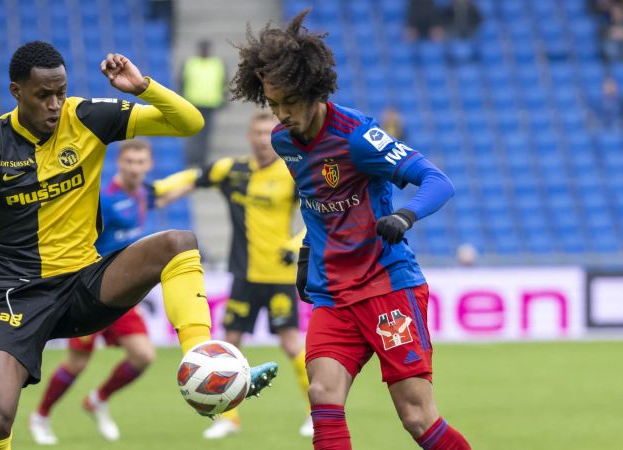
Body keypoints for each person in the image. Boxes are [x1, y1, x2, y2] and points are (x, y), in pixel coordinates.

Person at [0, 41, 277, 450]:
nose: (55, 104)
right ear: (16, 91)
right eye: (44, 95)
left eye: (61, 92)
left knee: (178, 242)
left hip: (85, 282)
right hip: (13, 294)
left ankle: (203, 364)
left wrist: (142, 86)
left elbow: (190, 122)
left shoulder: (89, 117)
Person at [231, 11, 471, 450]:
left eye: (289, 102)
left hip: (387, 288)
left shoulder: (358, 136)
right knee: (321, 396)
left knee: (416, 418)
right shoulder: (284, 142)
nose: (281, 115)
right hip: (333, 296)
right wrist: (308, 252)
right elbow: (317, 201)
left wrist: (404, 216)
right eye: (273, 104)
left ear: (313, 90)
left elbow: (438, 181)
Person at [158, 111, 311, 439]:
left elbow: (316, 215)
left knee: (291, 343)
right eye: (256, 133)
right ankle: (230, 417)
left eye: (267, 133)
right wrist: (158, 190)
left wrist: (296, 244)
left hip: (280, 275)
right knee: (228, 345)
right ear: (249, 137)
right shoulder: (234, 169)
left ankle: (316, 412)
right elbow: (193, 177)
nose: (261, 139)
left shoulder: (292, 173)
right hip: (244, 274)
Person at [29, 139, 177, 445]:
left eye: (141, 162)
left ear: (148, 165)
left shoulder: (142, 193)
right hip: (90, 292)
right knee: (77, 363)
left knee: (143, 356)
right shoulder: (104, 199)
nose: (135, 167)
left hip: (123, 293)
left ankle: (97, 399)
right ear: (119, 163)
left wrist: (204, 179)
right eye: (130, 161)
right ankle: (41, 416)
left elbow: (168, 194)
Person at [179, 39, 227, 167]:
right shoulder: (190, 63)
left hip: (210, 104)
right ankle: (192, 159)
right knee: (193, 133)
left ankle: (202, 160)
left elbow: (224, 83)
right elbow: (181, 83)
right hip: (193, 104)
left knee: (206, 135)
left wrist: (224, 99)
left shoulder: (217, 64)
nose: (205, 51)